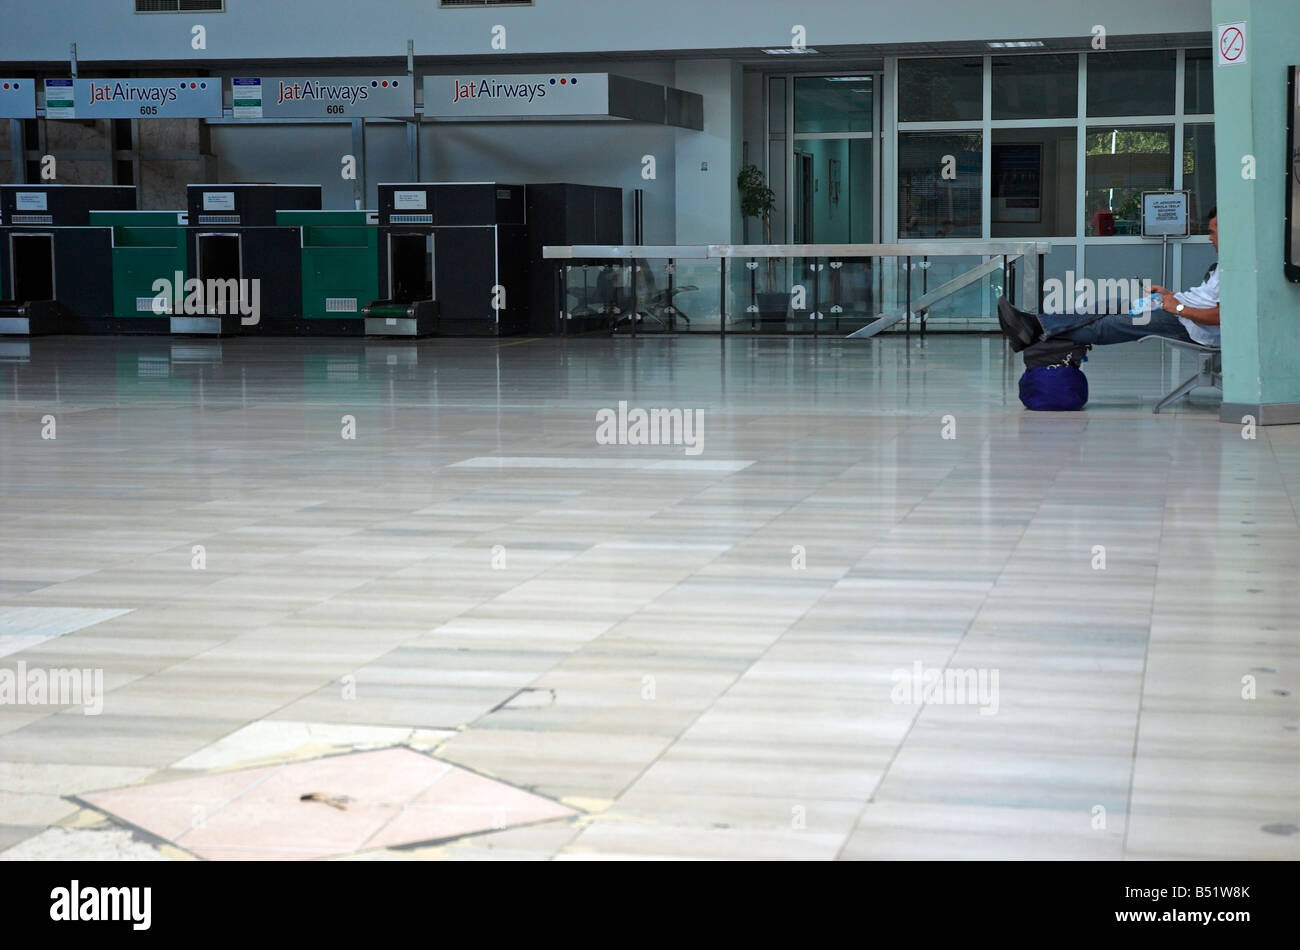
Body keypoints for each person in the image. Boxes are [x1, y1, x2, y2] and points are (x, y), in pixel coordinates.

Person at [1003, 209, 1220, 349]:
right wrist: (1169, 295)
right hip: (1175, 310)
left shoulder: (1239, 272)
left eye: (1212, 232)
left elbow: (1222, 316)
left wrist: (1179, 308)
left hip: (1189, 325)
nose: (1209, 238)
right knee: (1108, 305)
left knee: (1109, 324)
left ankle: (1033, 331)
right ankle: (1037, 322)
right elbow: (1205, 299)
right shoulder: (1224, 265)